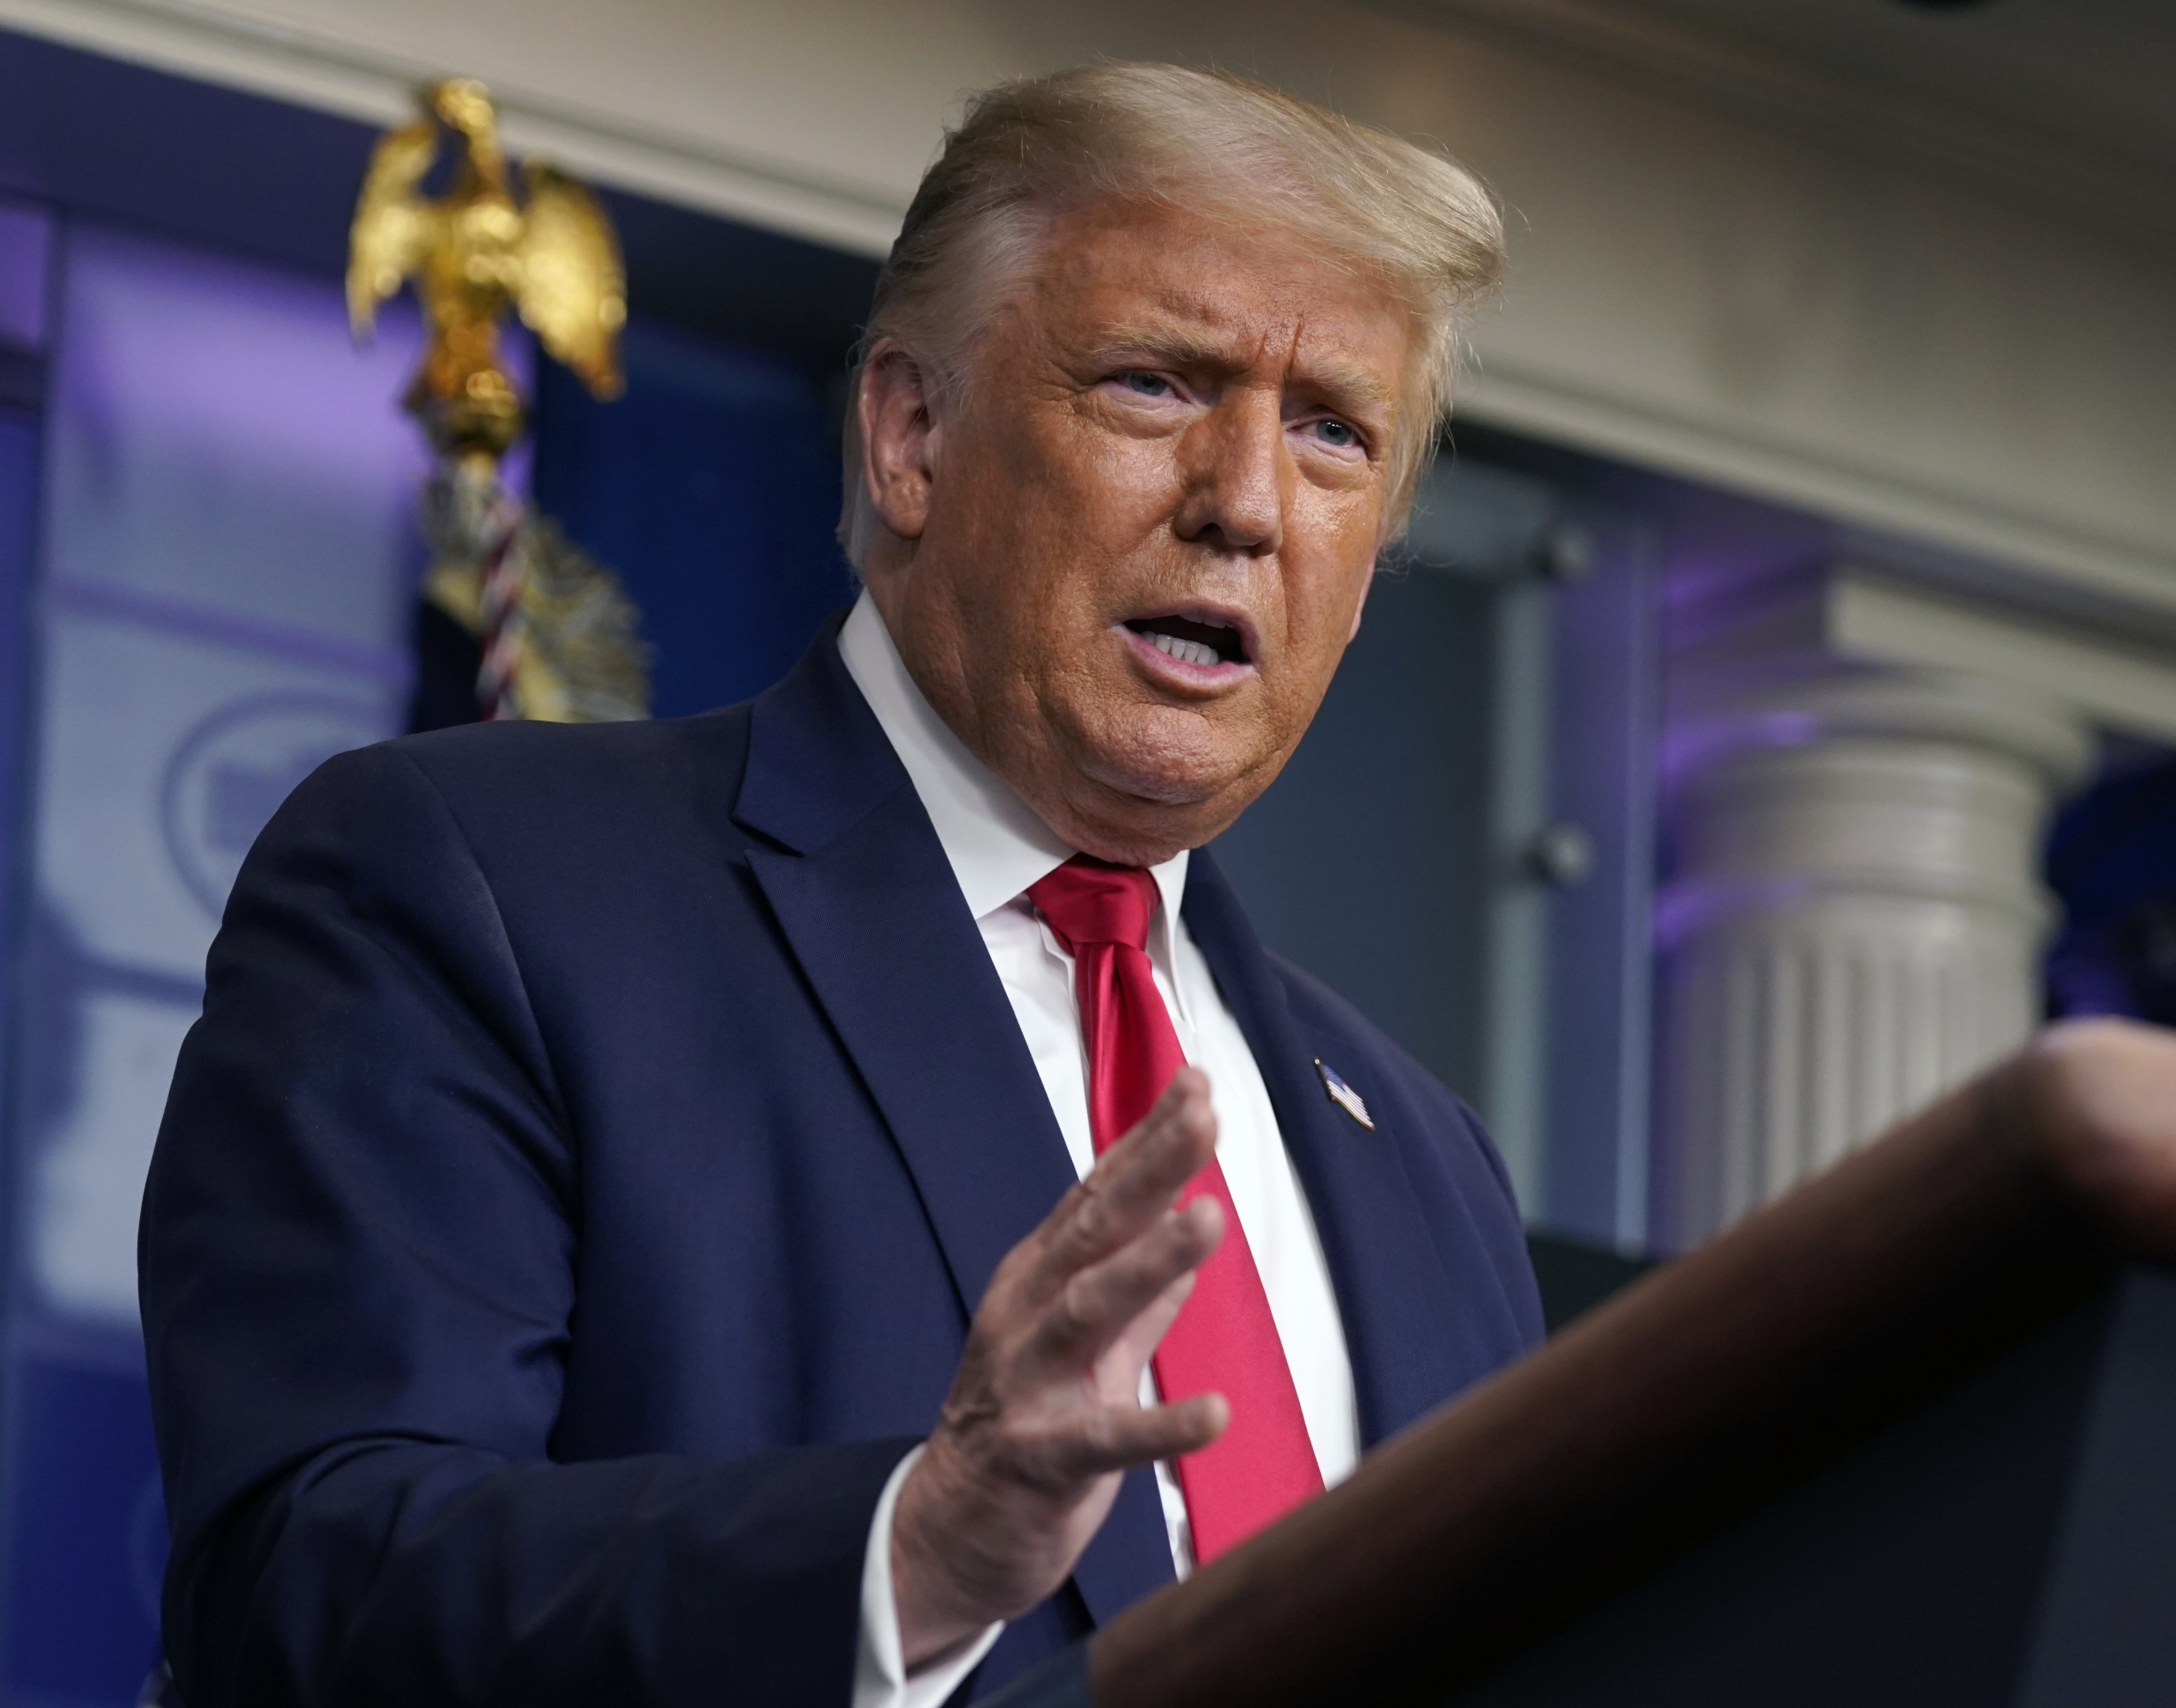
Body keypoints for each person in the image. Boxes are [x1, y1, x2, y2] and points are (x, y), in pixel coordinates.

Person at [141, 61, 1543, 1708]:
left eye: (1332, 434)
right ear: (911, 436)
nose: (1245, 503)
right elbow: (307, 1588)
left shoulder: (1430, 1167)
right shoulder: (481, 891)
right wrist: (903, 1558)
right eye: (1158, 385)